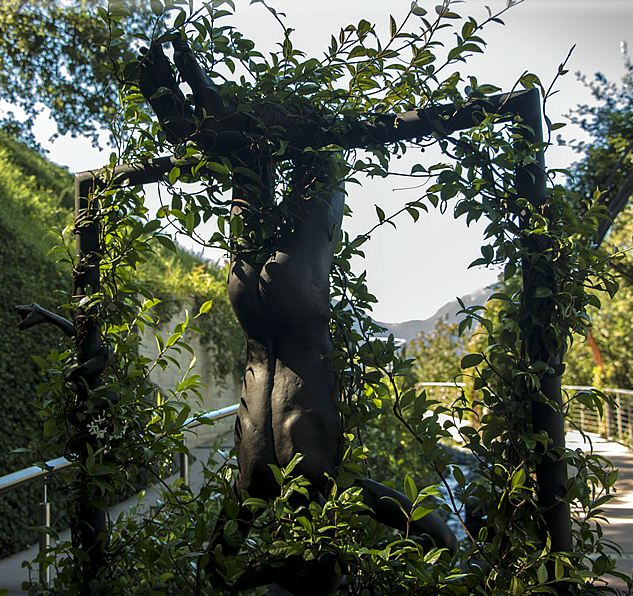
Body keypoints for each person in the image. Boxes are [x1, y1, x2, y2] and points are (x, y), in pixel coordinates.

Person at [138, 38, 457, 594]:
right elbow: (217, 572)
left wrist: (360, 560)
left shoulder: (331, 487)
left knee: (315, 150)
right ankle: (187, 92)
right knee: (256, 162)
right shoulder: (253, 492)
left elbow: (441, 537)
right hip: (254, 313)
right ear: (293, 546)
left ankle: (194, 99)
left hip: (293, 306)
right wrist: (263, 571)